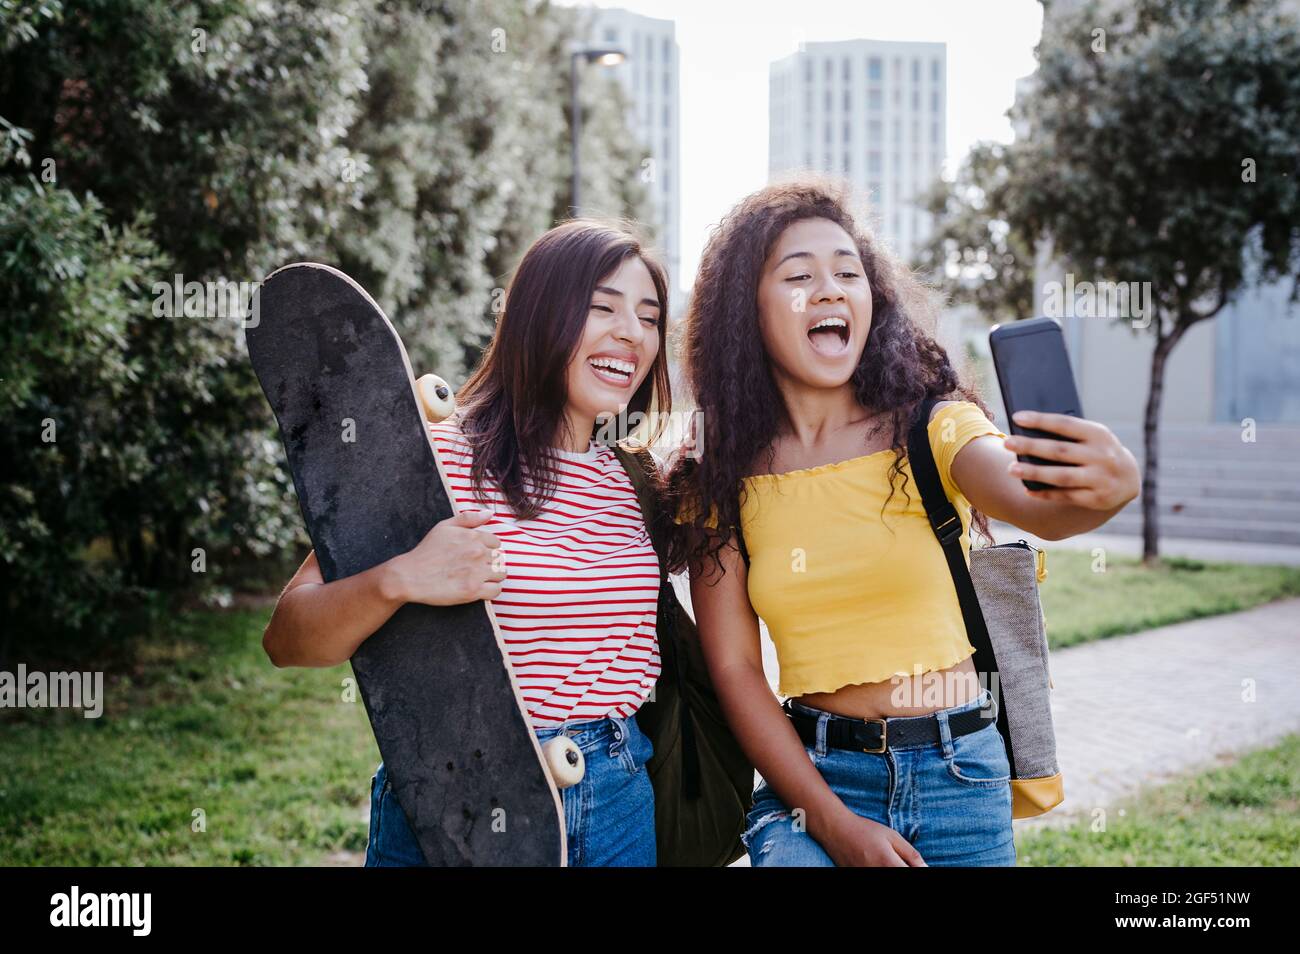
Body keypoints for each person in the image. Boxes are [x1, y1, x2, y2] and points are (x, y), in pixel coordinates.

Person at [664, 177, 1140, 866]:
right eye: (799, 275)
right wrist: (831, 824)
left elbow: (1037, 504)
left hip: (960, 776)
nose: (830, 289)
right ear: (749, 312)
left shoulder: (932, 424)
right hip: (815, 779)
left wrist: (1105, 487)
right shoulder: (721, 476)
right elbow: (737, 670)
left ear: (871, 298)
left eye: (847, 272)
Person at [262, 219, 673, 866]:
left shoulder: (633, 480)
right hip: (460, 793)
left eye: (650, 318)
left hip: (615, 796)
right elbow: (287, 637)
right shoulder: (443, 459)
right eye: (602, 308)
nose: (632, 332)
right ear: (540, 316)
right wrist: (398, 578)